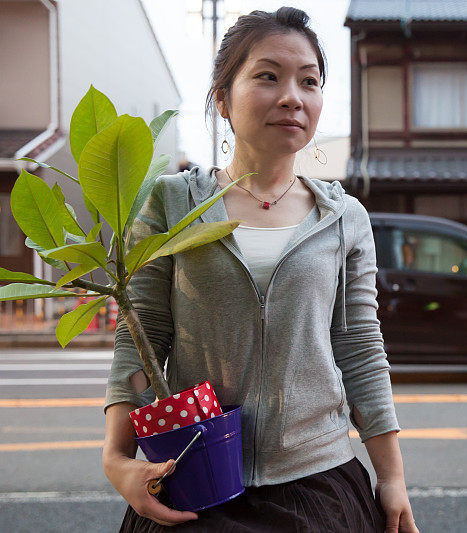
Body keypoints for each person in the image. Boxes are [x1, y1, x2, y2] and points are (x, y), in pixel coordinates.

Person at [102, 8, 418, 532]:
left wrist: (392, 476)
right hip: (193, 477)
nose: (293, 96)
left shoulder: (344, 219)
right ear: (222, 98)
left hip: (318, 485)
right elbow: (141, 337)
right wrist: (118, 460)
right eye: (268, 76)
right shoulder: (173, 205)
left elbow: (360, 348)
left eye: (309, 81)